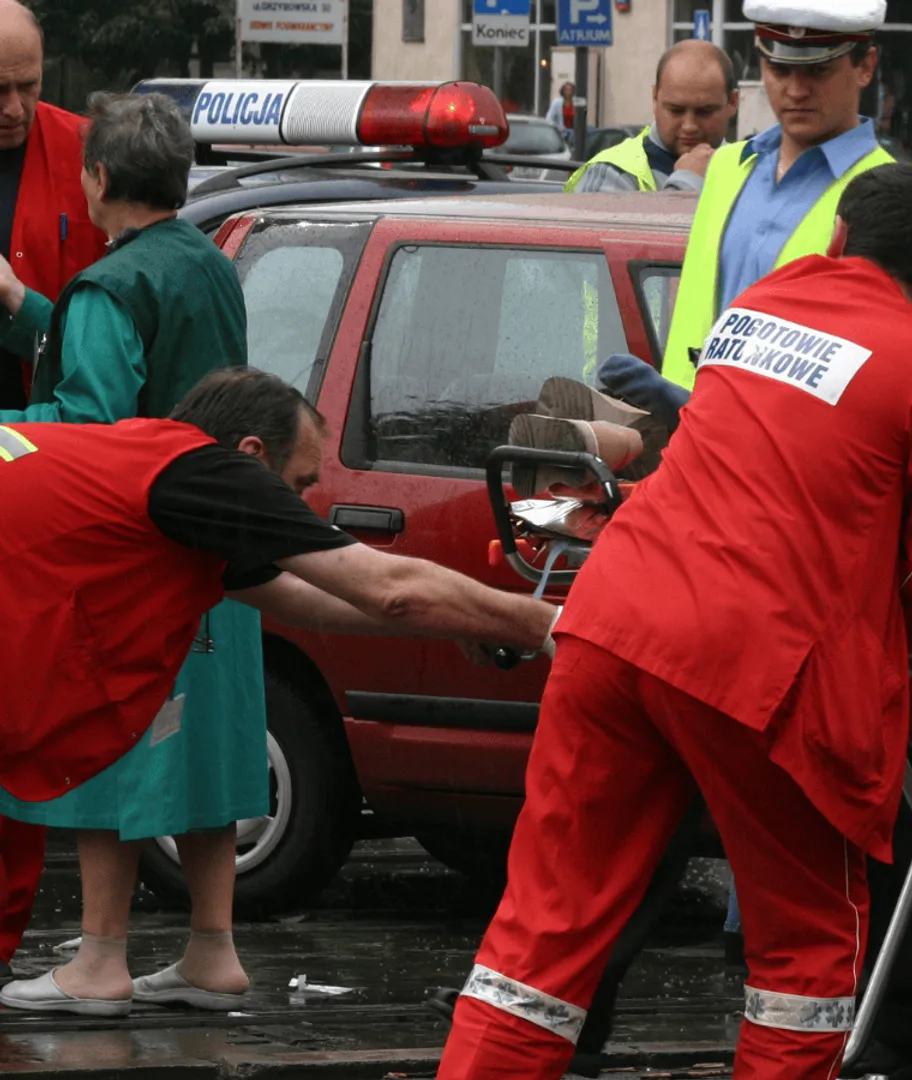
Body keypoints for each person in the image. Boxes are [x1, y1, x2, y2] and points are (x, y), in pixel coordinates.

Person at [437, 163, 912, 1080]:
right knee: (805, 957)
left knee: (538, 942)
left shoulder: (760, 307)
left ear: (839, 240)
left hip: (613, 625)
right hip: (758, 666)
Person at [0, 369, 563, 1016]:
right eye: (298, 486)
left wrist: (470, 618)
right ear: (250, 458)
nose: (303, 503)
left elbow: (304, 598)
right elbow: (390, 587)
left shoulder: (147, 468)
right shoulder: (204, 473)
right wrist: (546, 623)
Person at [0, 90, 258, 1018]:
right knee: (205, 754)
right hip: (221, 540)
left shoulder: (109, 282)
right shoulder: (210, 264)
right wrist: (25, 307)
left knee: (108, 739)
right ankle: (211, 948)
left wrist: (5, 425)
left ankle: (100, 959)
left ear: (98, 176)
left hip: (135, 555)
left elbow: (90, 424)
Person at [0, 0, 107, 988]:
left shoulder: (80, 154)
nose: (15, 106)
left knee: (21, 710)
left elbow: (99, 333)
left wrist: (15, 306)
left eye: (29, 85)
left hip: (39, 465)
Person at [657, 0, 895, 389]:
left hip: (794, 445)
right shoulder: (727, 167)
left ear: (865, 67)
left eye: (818, 70)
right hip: (691, 433)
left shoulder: (887, 192)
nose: (796, 90)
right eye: (779, 69)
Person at [565, 40, 739, 193]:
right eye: (676, 110)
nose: (689, 126)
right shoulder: (612, 173)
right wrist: (687, 184)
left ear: (732, 102)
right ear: (655, 98)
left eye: (704, 112)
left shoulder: (748, 169)